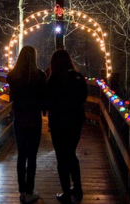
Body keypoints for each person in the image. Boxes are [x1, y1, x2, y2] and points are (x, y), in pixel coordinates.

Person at [46, 49, 88, 203]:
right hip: (75, 121)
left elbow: (47, 101)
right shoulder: (78, 77)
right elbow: (83, 97)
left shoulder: (53, 79)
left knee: (61, 158)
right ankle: (78, 188)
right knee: (71, 154)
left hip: (58, 123)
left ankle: (66, 194)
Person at [6, 46, 47, 203]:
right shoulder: (40, 76)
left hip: (20, 118)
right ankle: (30, 190)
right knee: (32, 156)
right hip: (34, 119)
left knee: (21, 155)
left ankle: (22, 190)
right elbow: (44, 97)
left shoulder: (13, 77)